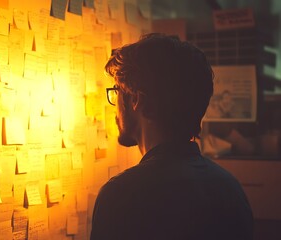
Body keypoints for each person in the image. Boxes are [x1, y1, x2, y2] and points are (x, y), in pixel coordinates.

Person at [91, 33, 253, 240]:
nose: (114, 107)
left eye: (117, 91)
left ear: (137, 100)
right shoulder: (230, 189)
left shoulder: (121, 195)